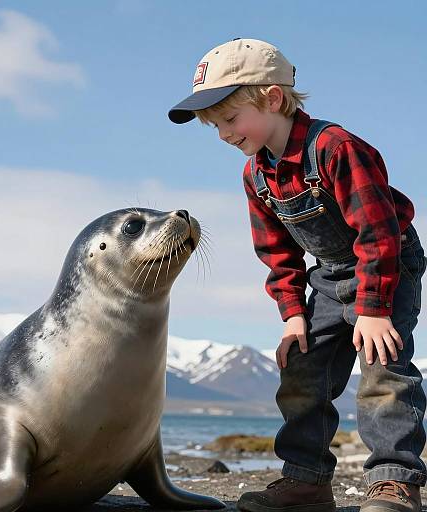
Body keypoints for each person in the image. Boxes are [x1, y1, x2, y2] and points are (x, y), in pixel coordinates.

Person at [168, 38, 426, 512]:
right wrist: (292, 315)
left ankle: (395, 482)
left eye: (229, 119)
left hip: (387, 266)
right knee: (303, 372)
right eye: (214, 126)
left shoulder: (336, 148)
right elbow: (277, 252)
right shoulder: (256, 175)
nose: (223, 134)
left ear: (271, 98)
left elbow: (378, 233)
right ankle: (306, 482)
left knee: (382, 368)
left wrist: (373, 310)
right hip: (328, 276)